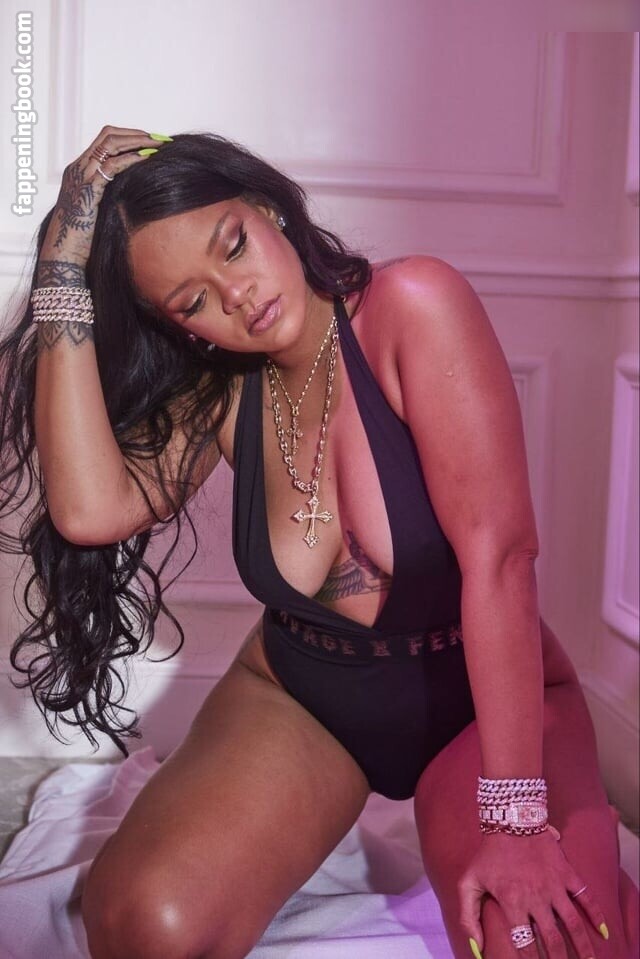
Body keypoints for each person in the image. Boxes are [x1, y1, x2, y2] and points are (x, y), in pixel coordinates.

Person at [0, 127, 637, 959]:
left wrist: (517, 817)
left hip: (474, 702)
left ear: (266, 207)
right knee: (143, 924)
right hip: (306, 696)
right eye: (193, 302)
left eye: (232, 245)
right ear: (182, 327)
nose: (237, 296)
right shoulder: (222, 393)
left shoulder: (413, 305)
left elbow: (502, 561)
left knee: (538, 941)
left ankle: (592, 858)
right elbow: (88, 512)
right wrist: (60, 262)